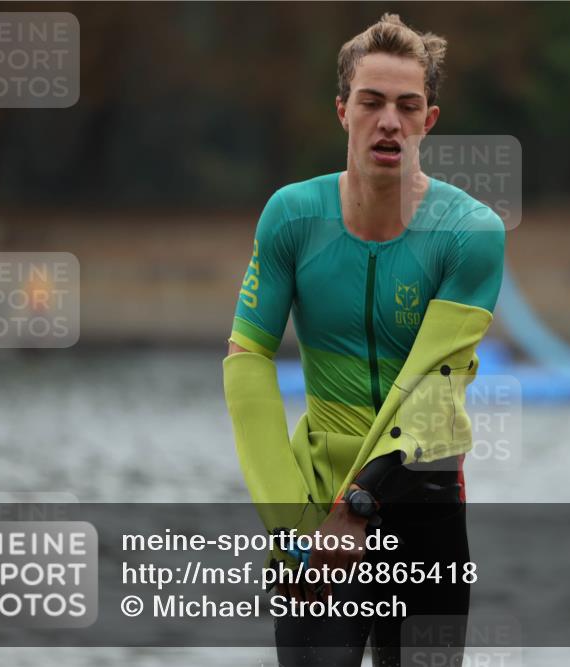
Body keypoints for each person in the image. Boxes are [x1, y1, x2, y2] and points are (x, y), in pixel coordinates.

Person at [222, 14, 505, 667]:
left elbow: (434, 388)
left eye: (407, 106)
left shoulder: (471, 232)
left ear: (428, 121)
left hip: (423, 501)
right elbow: (247, 360)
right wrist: (294, 526)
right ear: (342, 109)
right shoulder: (292, 216)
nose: (389, 121)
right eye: (372, 102)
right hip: (313, 501)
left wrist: (363, 502)